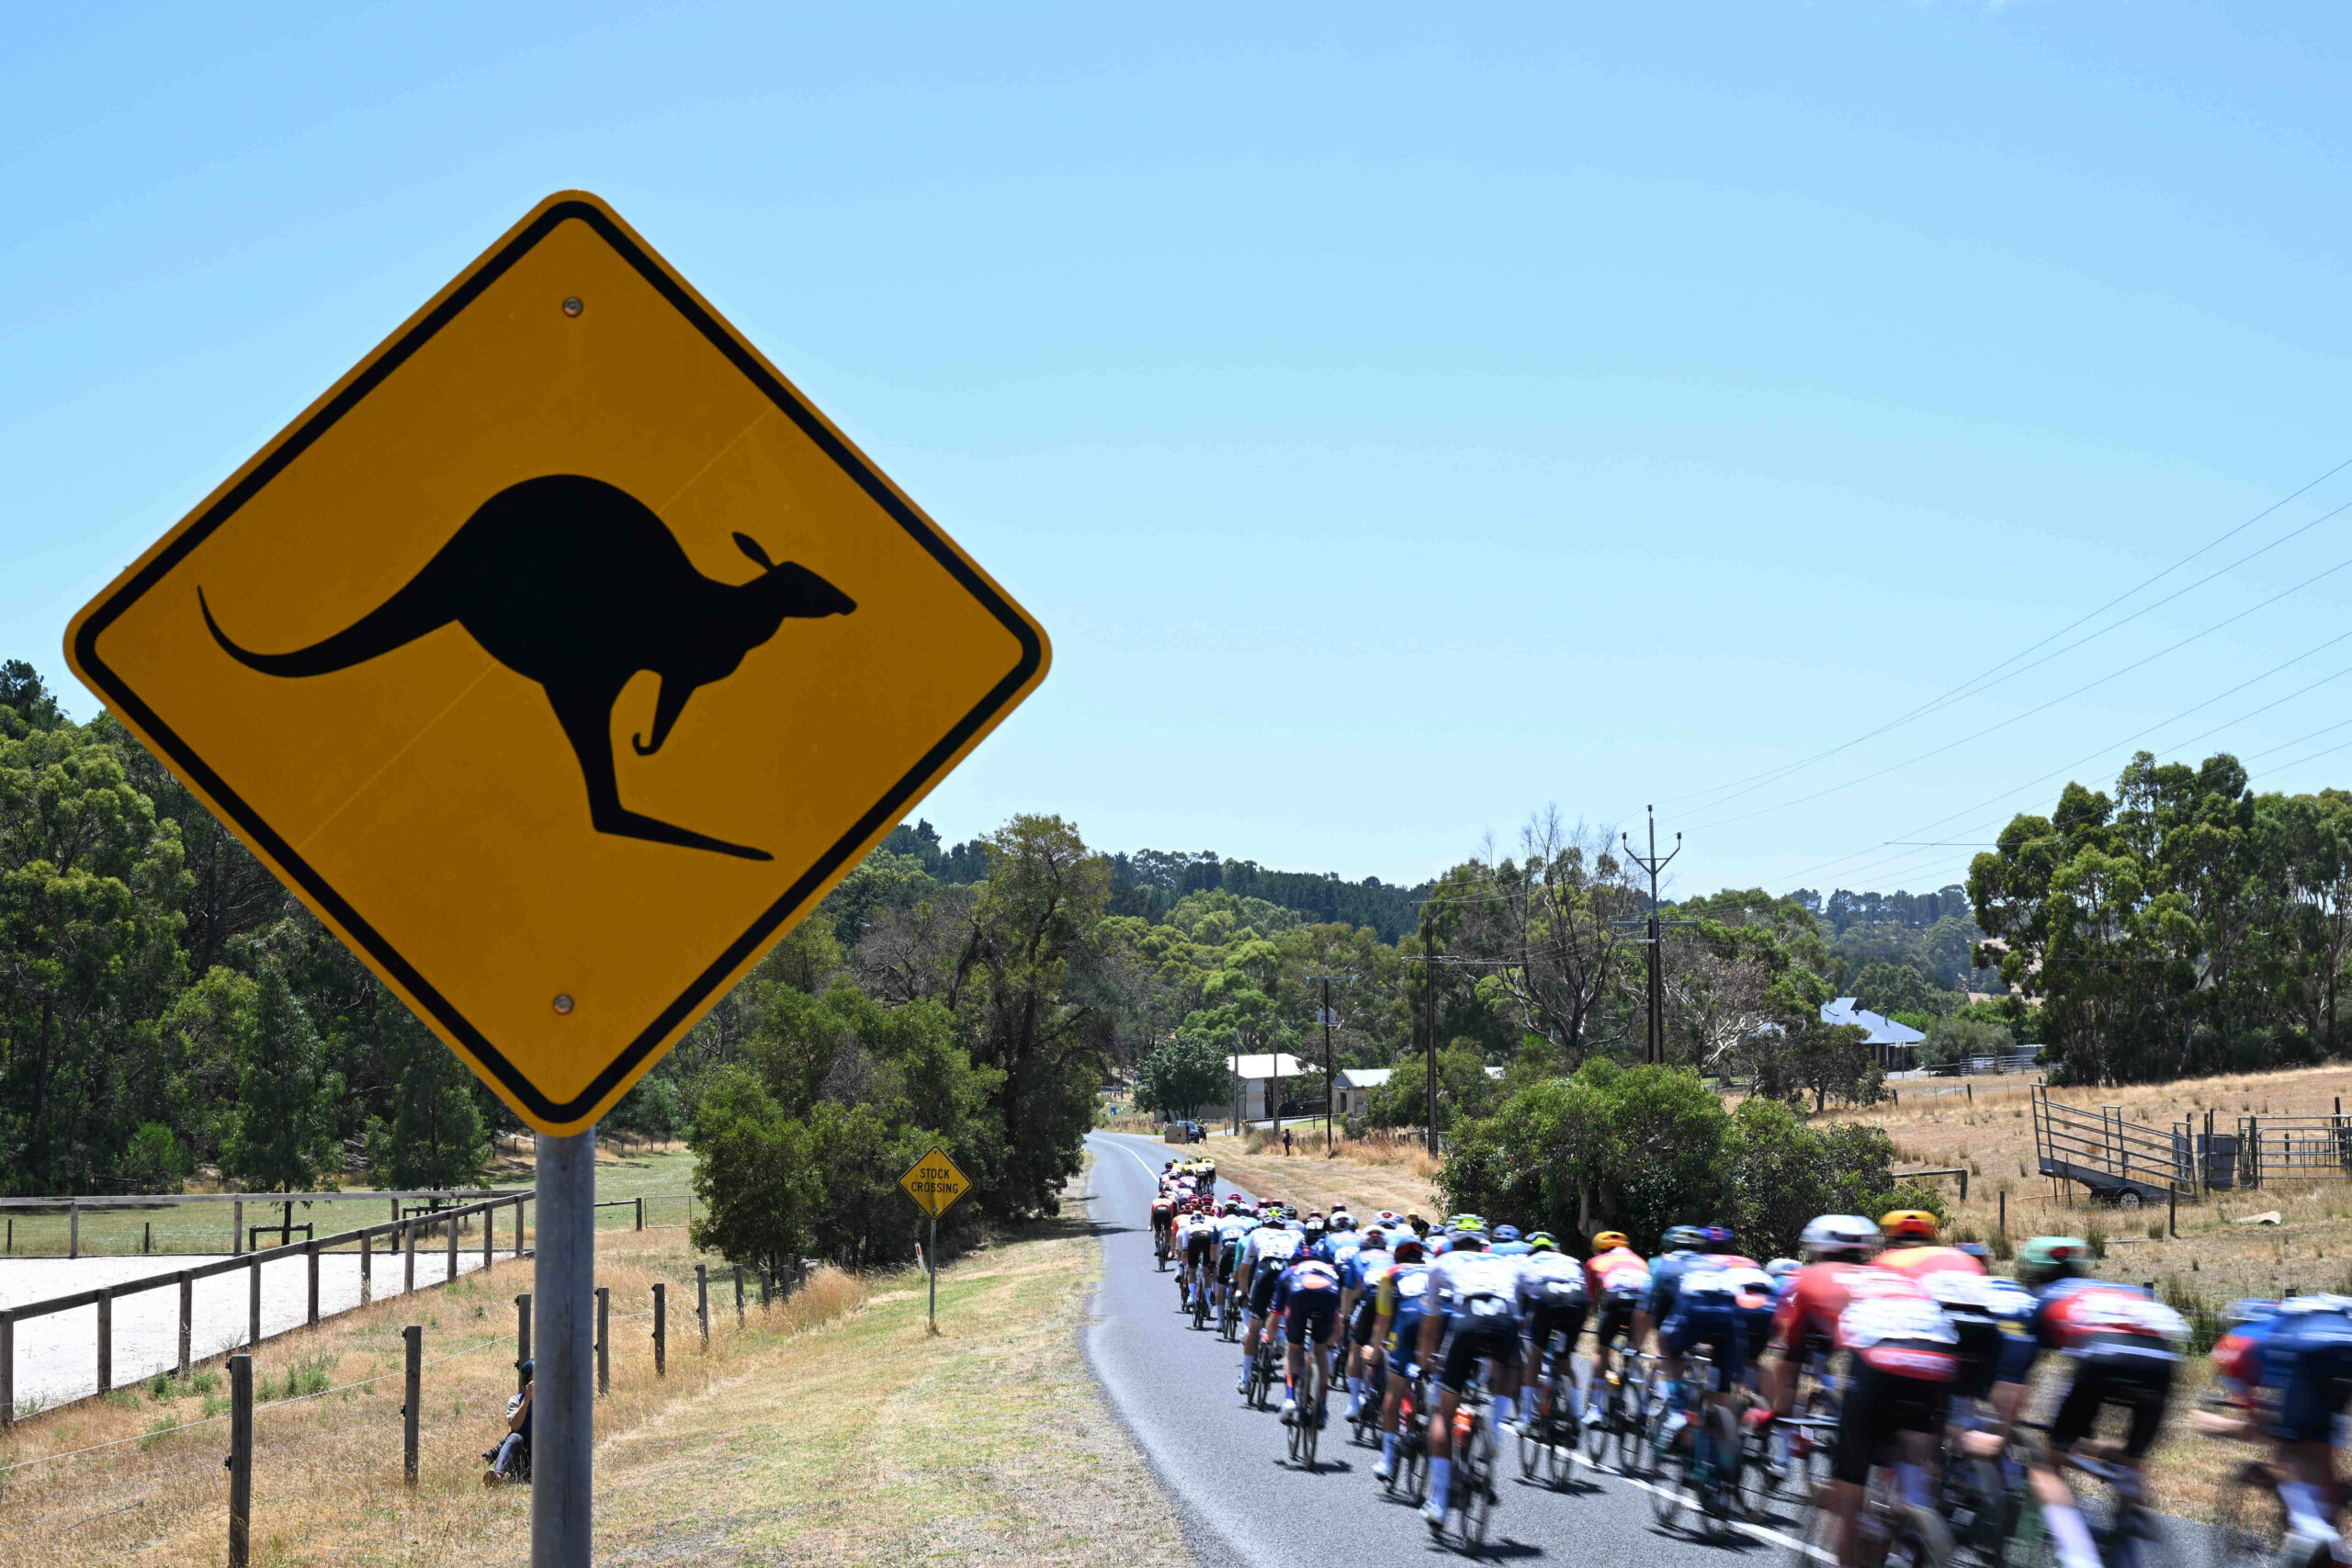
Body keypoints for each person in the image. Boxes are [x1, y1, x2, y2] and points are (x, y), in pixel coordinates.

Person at [2013, 1237, 2188, 1568]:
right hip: (2162, 1360)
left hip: (2101, 1356)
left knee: (2047, 1464)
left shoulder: (2046, 1297)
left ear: (2034, 1274)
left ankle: (2079, 1557)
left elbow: (2023, 1373)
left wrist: (2018, 1423)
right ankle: (2130, 1497)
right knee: (2133, 1460)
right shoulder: (2119, 1288)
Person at [1416, 1224, 1523, 1530]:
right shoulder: (1502, 1262)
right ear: (1482, 1245)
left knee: (1442, 1412)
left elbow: (1432, 1322)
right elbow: (1517, 1313)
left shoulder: (1441, 1263)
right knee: (1508, 1368)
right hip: (1503, 1320)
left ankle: (1438, 1503)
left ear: (1452, 1244)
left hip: (1467, 1321)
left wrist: (1427, 1360)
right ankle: (1496, 1428)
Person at [1371, 1235, 1432, 1483]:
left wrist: (1375, 1354)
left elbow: (1383, 1321)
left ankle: (1387, 1459)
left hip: (1407, 1319)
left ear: (1397, 1256)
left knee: (1394, 1391)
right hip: (1438, 1320)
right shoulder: (1434, 1269)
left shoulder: (1391, 1273)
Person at [1514, 1232, 1589, 1436]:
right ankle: (1576, 1416)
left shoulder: (1525, 1263)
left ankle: (1526, 1419)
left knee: (1535, 1358)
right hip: (1577, 1300)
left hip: (1546, 1298)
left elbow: (1519, 1306)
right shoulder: (1572, 1261)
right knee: (1564, 1361)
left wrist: (1522, 1330)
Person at [1583, 1229, 1650, 1423]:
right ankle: (1643, 1411)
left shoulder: (1596, 1262)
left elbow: (1590, 1299)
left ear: (1601, 1250)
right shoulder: (1640, 1261)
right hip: (1642, 1305)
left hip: (1616, 1301)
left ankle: (1595, 1409)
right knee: (1635, 1353)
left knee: (1601, 1351)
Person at [482, 1359, 533, 1485]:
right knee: (515, 1437)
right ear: (527, 1381)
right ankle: (497, 1476)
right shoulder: (516, 1400)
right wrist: (526, 1400)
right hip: (523, 1458)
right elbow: (515, 1425)